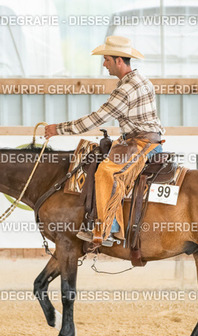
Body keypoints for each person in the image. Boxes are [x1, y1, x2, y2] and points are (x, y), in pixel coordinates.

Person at [45, 36, 165, 247]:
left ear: (119, 60)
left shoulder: (126, 89)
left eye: (107, 59)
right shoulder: (140, 80)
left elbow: (97, 118)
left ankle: (108, 229)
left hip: (141, 144)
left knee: (106, 172)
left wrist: (59, 129)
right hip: (139, 140)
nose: (104, 64)